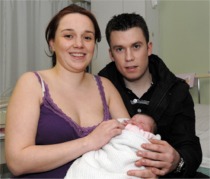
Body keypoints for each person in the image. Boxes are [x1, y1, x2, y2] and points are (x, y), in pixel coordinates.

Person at [5, 4, 131, 178]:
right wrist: (88, 142)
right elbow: (17, 162)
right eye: (68, 36)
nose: (79, 44)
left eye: (87, 37)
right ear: (52, 43)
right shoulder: (32, 84)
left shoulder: (106, 87)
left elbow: (131, 143)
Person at [99, 13, 208, 178]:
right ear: (111, 54)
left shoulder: (177, 91)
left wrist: (177, 161)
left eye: (136, 46)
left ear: (149, 48)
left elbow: (189, 146)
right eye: (120, 49)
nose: (129, 57)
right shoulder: (97, 89)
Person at [65, 114, 161, 179]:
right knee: (88, 164)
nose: (135, 122)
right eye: (133, 119)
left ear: (150, 131)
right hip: (111, 150)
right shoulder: (124, 125)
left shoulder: (148, 137)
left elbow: (153, 147)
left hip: (131, 156)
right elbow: (115, 125)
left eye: (142, 123)